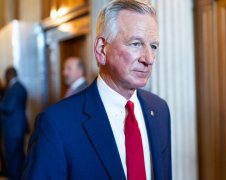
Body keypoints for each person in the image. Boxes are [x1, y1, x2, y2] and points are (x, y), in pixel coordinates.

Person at [23, 0, 172, 180]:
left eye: (153, 46)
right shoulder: (56, 125)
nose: (149, 59)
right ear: (102, 49)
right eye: (136, 44)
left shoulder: (159, 109)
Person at [0, 67, 28, 180]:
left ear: (8, 75)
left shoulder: (14, 88)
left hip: (12, 129)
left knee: (13, 158)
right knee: (18, 157)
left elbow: (9, 108)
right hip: (17, 128)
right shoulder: (20, 86)